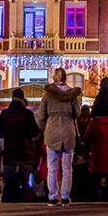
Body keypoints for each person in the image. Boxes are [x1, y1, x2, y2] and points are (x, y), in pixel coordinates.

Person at [42, 68, 83, 206]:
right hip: (68, 132)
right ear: (65, 78)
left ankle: (52, 197)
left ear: (54, 77)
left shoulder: (48, 95)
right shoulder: (73, 95)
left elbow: (41, 115)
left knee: (52, 167)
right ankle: (65, 197)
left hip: (52, 132)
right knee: (67, 167)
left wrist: (50, 118)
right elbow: (77, 114)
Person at [0, 88, 40, 202]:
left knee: (8, 183)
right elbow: (35, 132)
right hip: (25, 153)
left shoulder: (5, 114)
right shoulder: (28, 114)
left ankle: (7, 204)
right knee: (24, 183)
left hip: (9, 152)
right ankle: (24, 204)